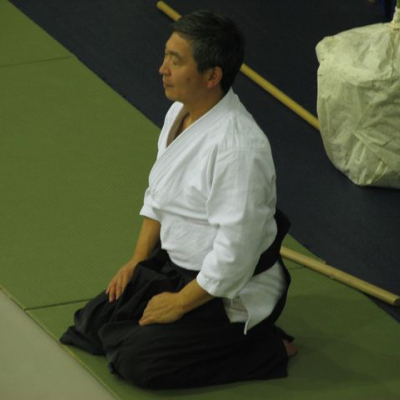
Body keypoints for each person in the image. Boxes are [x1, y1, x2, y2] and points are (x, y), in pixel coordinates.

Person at [60, 10, 297, 389]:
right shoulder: (179, 113)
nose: (162, 69)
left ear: (212, 76)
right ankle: (189, 331)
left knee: (139, 363)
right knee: (91, 325)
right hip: (174, 264)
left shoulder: (239, 147)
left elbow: (235, 253)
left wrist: (181, 302)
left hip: (227, 288)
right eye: (166, 55)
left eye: (176, 60)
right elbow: (159, 196)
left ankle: (264, 347)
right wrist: (138, 261)